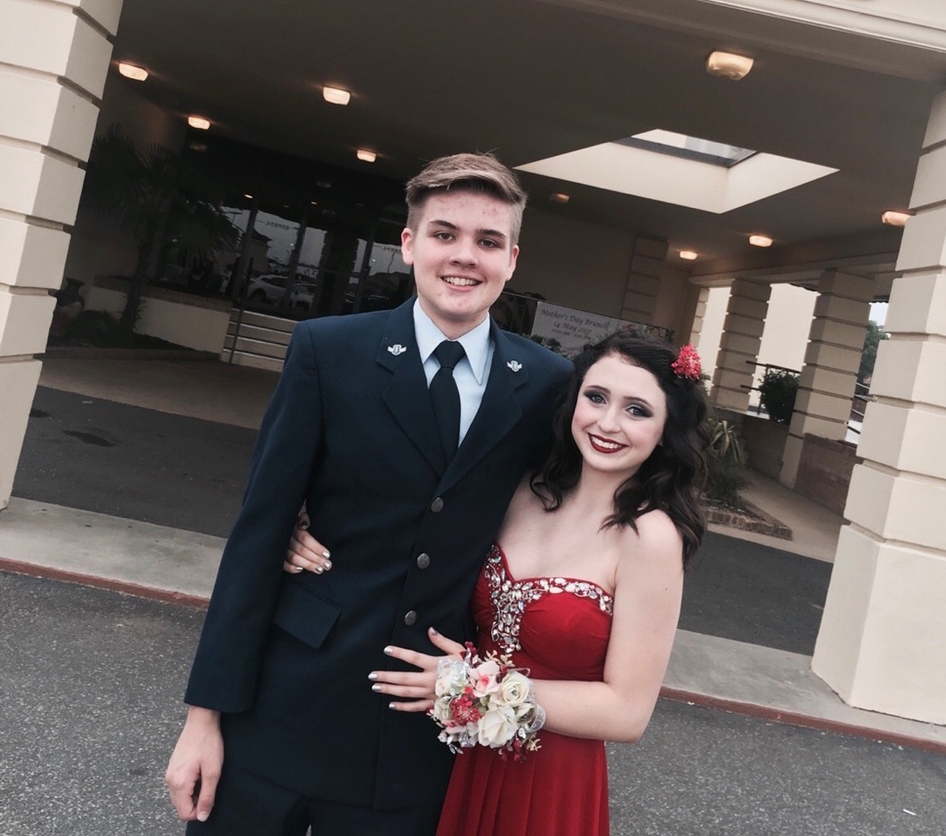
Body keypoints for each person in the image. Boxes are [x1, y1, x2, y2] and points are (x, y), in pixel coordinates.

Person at [164, 153, 573, 835]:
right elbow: (258, 536)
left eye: (488, 241)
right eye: (444, 234)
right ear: (410, 245)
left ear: (512, 259)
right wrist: (203, 718)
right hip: (283, 707)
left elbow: (566, 511)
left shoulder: (546, 383)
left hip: (417, 738)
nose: (464, 256)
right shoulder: (328, 351)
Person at [286, 332, 708, 836]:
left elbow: (627, 712)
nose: (608, 423)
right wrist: (299, 531)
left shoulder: (650, 537)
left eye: (637, 410)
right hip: (453, 759)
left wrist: (467, 687)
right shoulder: (521, 492)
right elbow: (412, 535)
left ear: (666, 431)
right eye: (596, 397)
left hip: (550, 776)